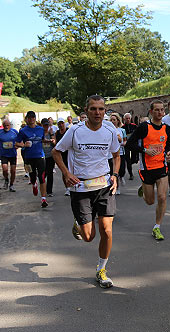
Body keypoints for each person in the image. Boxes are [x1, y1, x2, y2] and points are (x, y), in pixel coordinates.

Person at [52, 95, 120, 288]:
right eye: (93, 109)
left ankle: (101, 269)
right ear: (86, 110)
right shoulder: (75, 131)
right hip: (80, 188)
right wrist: (66, 173)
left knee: (106, 229)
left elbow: (116, 155)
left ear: (105, 111)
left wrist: (115, 175)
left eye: (101, 109)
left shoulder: (110, 130)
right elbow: (56, 152)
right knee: (89, 237)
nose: (97, 113)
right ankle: (79, 224)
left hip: (105, 185)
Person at [126, 100, 170, 241]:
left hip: (161, 166)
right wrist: (145, 150)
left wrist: (169, 153)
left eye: (162, 110)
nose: (160, 113)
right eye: (157, 110)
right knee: (150, 201)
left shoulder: (166, 128)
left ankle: (157, 227)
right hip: (146, 169)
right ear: (151, 112)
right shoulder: (144, 127)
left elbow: (167, 146)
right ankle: (144, 188)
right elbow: (129, 144)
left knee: (162, 197)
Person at [16, 111, 48, 208]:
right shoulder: (23, 131)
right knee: (33, 176)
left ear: (35, 118)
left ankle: (43, 199)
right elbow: (16, 144)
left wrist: (50, 141)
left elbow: (42, 140)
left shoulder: (40, 129)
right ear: (26, 119)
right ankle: (34, 184)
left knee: (42, 177)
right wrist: (24, 145)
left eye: (33, 117)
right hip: (29, 158)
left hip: (40, 156)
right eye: (29, 117)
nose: (31, 119)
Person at [110, 113, 127, 194]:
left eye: (114, 120)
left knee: (122, 169)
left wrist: (124, 143)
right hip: (112, 154)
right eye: (111, 120)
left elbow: (124, 140)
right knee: (114, 171)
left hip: (121, 152)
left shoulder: (122, 130)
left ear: (118, 121)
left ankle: (122, 176)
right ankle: (117, 187)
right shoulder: (109, 129)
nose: (113, 121)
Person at [0, 119, 18, 192]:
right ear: (3, 126)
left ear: (10, 125)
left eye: (7, 125)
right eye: (5, 126)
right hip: (3, 154)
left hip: (12, 154)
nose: (6, 127)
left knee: (13, 171)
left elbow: (20, 140)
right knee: (5, 170)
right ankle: (6, 180)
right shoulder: (0, 132)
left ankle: (11, 184)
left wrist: (18, 145)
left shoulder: (14, 132)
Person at [41, 118, 56, 197]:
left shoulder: (51, 133)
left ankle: (49, 191)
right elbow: (40, 141)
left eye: (47, 125)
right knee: (43, 173)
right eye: (44, 125)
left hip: (50, 156)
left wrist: (52, 135)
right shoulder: (40, 133)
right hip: (42, 156)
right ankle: (43, 188)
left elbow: (55, 143)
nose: (46, 127)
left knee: (50, 173)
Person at [55, 118, 70, 196]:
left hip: (69, 153)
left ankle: (72, 186)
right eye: (59, 124)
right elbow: (56, 143)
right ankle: (67, 188)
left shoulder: (68, 131)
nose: (61, 125)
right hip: (61, 154)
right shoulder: (57, 133)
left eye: (62, 123)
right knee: (64, 171)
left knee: (71, 170)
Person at [122, 113, 138, 180]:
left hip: (133, 144)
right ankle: (131, 174)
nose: (128, 120)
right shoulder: (122, 128)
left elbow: (138, 133)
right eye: (126, 118)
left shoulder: (134, 126)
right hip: (126, 145)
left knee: (134, 159)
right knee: (128, 159)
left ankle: (133, 161)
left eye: (129, 118)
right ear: (124, 119)